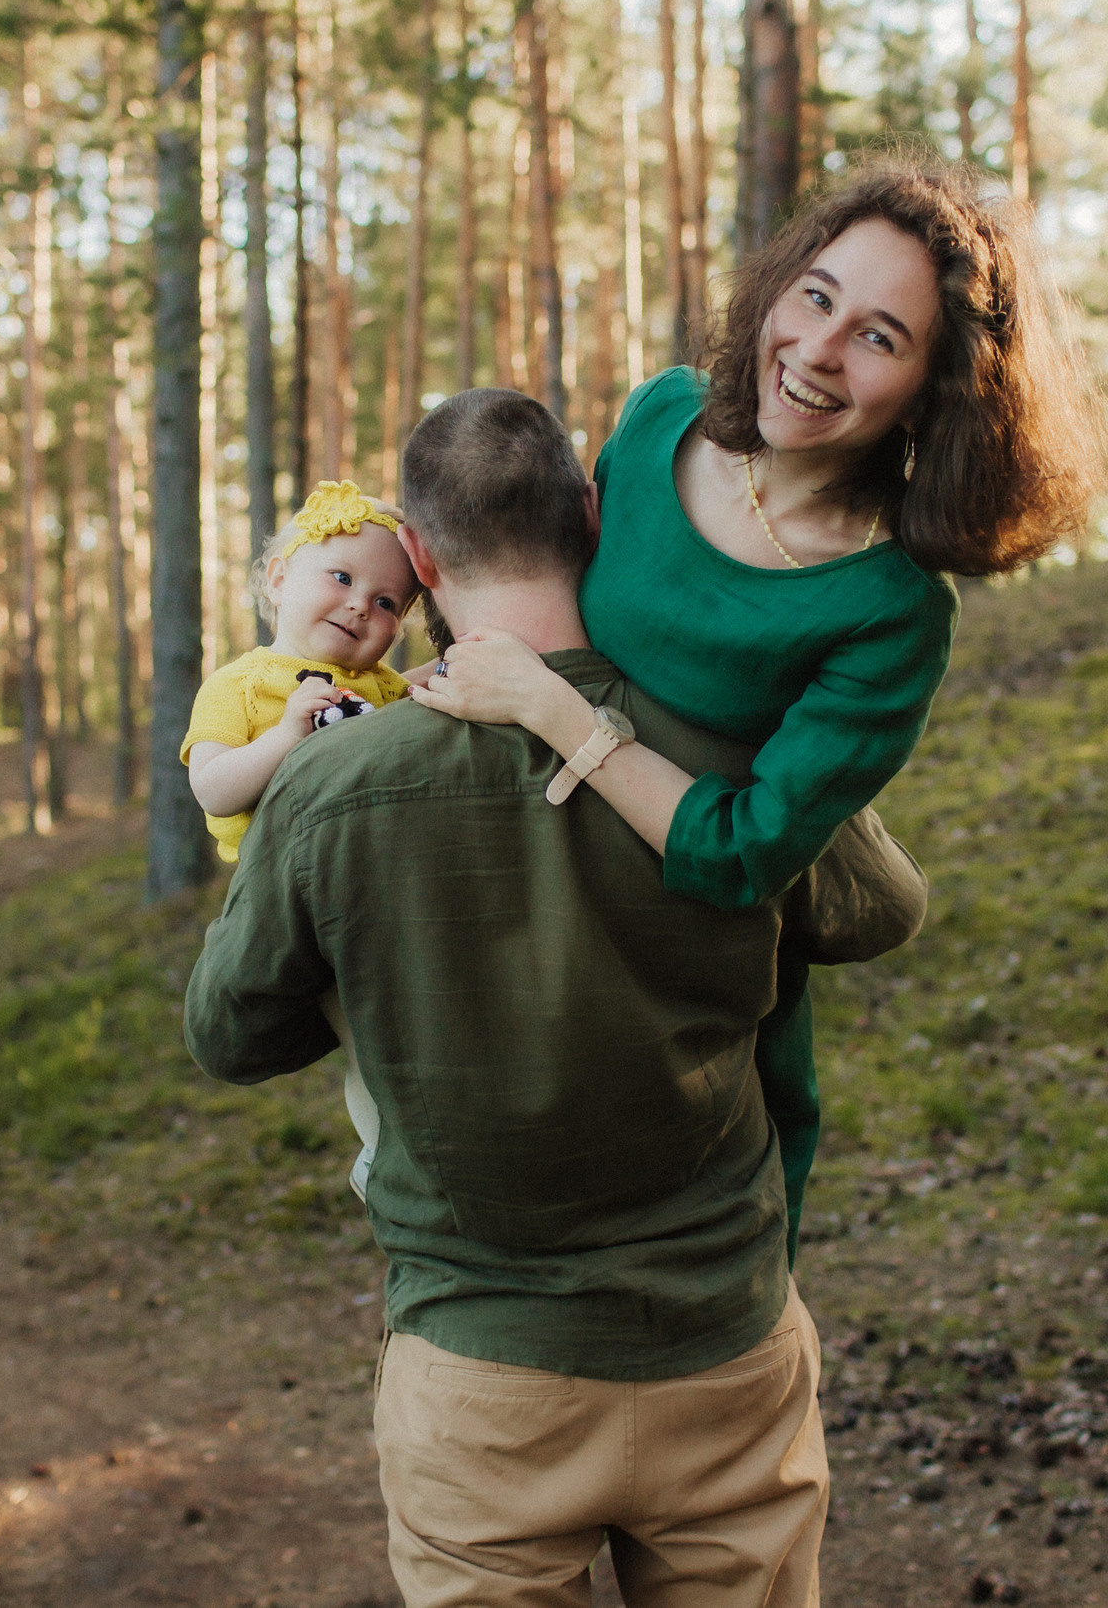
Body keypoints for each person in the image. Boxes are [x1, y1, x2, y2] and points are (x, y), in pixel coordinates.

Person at [184, 387, 928, 1607]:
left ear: (418, 563)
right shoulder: (724, 751)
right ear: (590, 513)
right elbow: (881, 911)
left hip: (481, 1375)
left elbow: (228, 1034)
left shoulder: (327, 784)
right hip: (720, 1355)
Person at [415, 156, 1108, 1259]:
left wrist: (553, 714)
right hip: (533, 925)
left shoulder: (888, 609)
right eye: (818, 296)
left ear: (940, 390)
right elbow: (538, 606)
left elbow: (739, 855)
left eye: (879, 337)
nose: (819, 352)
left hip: (693, 1007)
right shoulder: (657, 422)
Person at [181, 478, 421, 864]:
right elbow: (212, 791)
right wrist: (287, 735)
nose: (361, 606)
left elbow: (416, 692)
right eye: (342, 578)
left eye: (385, 602)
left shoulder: (381, 684)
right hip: (279, 873)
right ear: (278, 580)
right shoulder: (237, 685)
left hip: (371, 864)